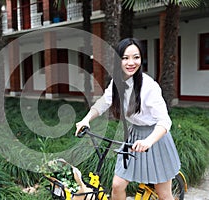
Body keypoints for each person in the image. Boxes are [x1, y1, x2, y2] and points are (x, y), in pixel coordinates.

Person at [75, 38, 181, 200]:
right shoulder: (117, 83)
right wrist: (86, 119)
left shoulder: (149, 86)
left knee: (164, 194)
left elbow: (165, 121)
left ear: (141, 59)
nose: (131, 62)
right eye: (125, 58)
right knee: (117, 185)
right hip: (134, 136)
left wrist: (148, 141)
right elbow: (104, 102)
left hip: (156, 139)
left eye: (136, 57)